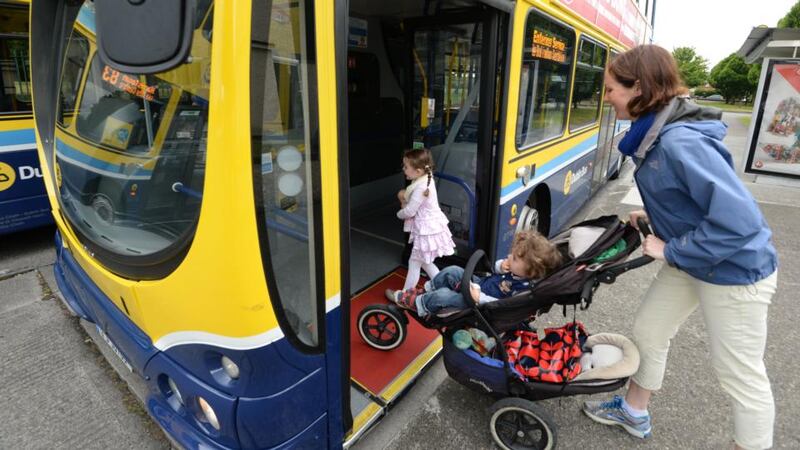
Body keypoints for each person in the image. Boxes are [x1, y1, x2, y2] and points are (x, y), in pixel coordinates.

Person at [582, 45, 779, 450]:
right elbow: (693, 203)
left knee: (739, 375)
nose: (607, 98)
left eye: (611, 89)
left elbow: (739, 224)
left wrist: (671, 250)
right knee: (649, 332)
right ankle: (634, 413)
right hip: (694, 259)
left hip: (735, 271)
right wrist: (654, 219)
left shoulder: (678, 142)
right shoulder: (655, 135)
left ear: (638, 88)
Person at [386, 231, 562, 316]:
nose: (509, 257)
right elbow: (498, 270)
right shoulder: (518, 271)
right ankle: (426, 293)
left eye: (514, 258)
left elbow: (504, 305)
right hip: (480, 284)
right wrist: (502, 266)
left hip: (479, 303)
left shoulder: (523, 289)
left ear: (530, 272)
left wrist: (480, 298)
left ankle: (417, 303)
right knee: (453, 271)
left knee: (444, 296)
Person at [391, 148, 456, 293]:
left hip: (427, 230)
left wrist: (398, 214)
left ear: (419, 171)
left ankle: (405, 295)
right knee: (426, 262)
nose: (403, 169)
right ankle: (444, 287)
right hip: (430, 227)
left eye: (406, 167)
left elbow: (410, 211)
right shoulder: (426, 177)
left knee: (414, 262)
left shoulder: (421, 187)